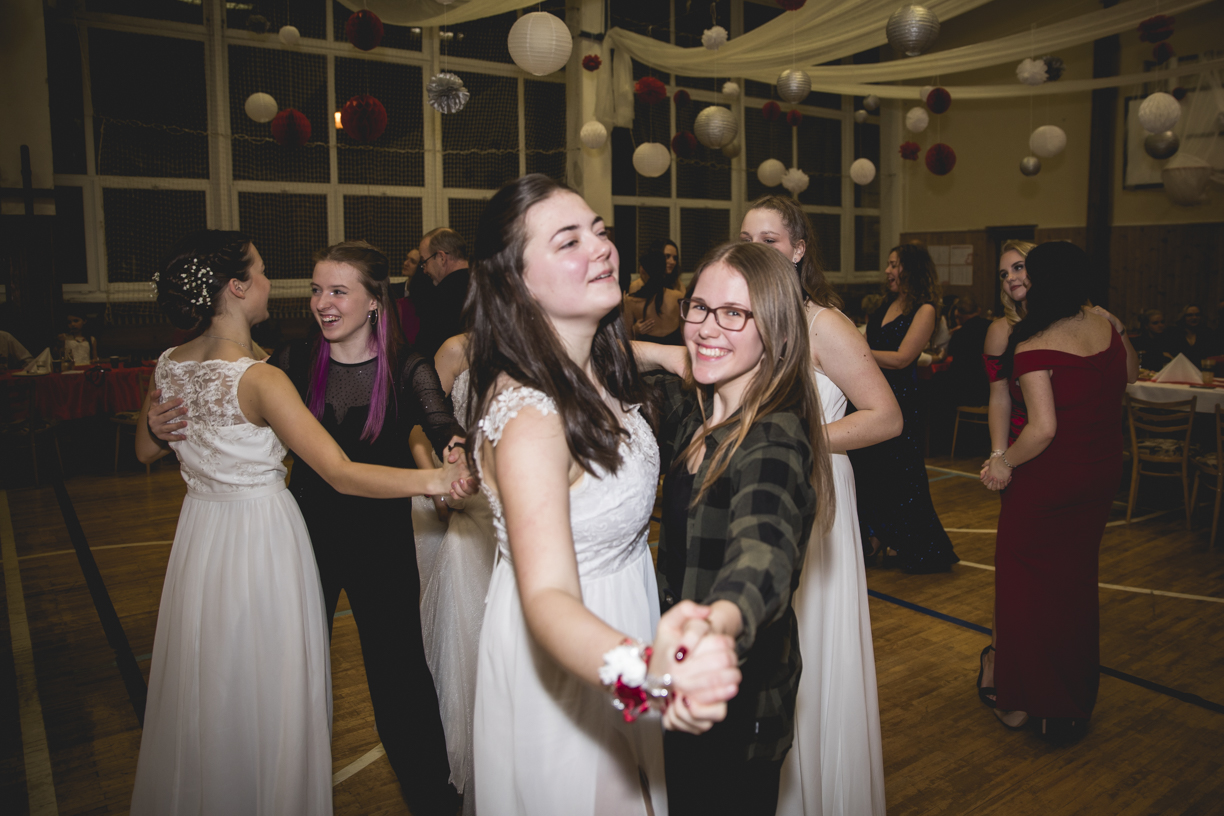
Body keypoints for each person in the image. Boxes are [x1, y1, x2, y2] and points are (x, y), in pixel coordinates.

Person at [131, 230, 471, 816]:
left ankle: (432, 803)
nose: (321, 302)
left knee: (399, 685)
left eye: (337, 291)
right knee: (278, 677)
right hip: (302, 541)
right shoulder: (286, 363)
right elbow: (320, 461)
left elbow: (441, 424)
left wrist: (455, 451)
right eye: (316, 290)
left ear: (375, 302)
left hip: (380, 545)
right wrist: (162, 428)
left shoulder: (404, 366)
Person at [465, 174, 741, 816]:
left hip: (623, 609)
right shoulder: (533, 419)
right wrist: (646, 681)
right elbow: (548, 601)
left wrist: (669, 357)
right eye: (569, 241)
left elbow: (617, 355)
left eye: (599, 231)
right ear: (516, 282)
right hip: (573, 652)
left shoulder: (588, 367)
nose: (601, 248)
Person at [639, 239, 829, 816]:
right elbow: (595, 357)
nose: (707, 327)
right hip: (684, 682)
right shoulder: (696, 411)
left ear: (776, 331)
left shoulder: (773, 436)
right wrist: (670, 354)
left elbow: (763, 555)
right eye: (699, 307)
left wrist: (716, 624)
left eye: (733, 313)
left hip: (738, 706)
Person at [740, 195, 899, 816]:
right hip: (756, 493)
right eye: (747, 239)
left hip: (815, 487)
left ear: (799, 250)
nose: (756, 250)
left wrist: (795, 438)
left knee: (809, 637)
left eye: (770, 240)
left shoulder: (824, 323)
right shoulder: (742, 320)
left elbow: (885, 417)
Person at [979, 242, 1138, 743]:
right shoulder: (1105, 328)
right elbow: (1131, 376)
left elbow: (1043, 429)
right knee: (1074, 588)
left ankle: (1023, 702)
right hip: (1101, 473)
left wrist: (1002, 462)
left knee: (1022, 588)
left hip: (1049, 479)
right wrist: (1117, 326)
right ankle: (1070, 703)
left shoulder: (1034, 343)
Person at [414, 332, 497, 815]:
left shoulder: (551, 341)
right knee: (469, 655)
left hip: (518, 522)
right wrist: (437, 484)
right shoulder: (456, 350)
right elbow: (417, 427)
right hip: (470, 519)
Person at [849, 244, 958, 573]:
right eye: (888, 264)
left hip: (899, 400)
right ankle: (876, 534)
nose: (888, 271)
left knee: (901, 473)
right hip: (869, 394)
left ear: (911, 269)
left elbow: (902, 358)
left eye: (894, 264)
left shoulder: (925, 310)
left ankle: (908, 540)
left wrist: (856, 352)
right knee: (868, 469)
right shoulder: (886, 304)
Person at [415, 228, 471, 360]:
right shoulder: (490, 287)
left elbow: (426, 351)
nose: (425, 270)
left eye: (424, 262)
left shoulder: (439, 298)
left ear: (441, 258)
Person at [624, 249, 684, 344]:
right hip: (675, 351)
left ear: (642, 270)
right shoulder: (678, 296)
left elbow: (626, 340)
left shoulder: (631, 302)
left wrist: (634, 330)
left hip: (647, 353)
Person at [396, 247, 424, 345]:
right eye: (406, 259)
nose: (406, 263)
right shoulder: (393, 290)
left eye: (412, 261)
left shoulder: (423, 296)